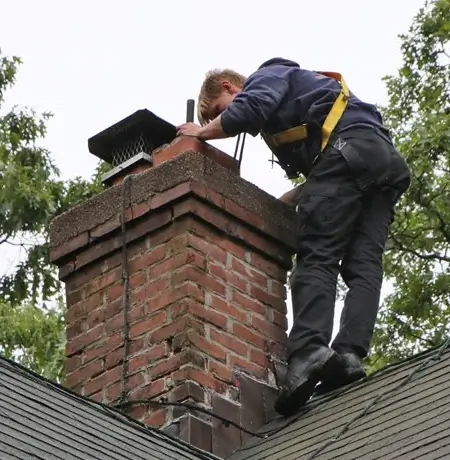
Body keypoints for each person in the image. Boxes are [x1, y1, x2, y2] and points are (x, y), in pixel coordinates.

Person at [176, 58, 411, 417]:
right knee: (364, 266)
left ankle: (309, 351)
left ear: (228, 86)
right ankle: (348, 355)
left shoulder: (266, 77)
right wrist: (299, 195)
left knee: (317, 255)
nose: (228, 121)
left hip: (349, 152)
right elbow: (334, 165)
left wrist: (199, 133)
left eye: (222, 109)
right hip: (381, 162)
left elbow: (249, 110)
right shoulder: (302, 94)